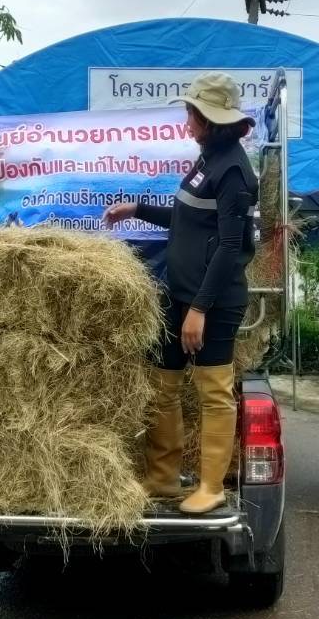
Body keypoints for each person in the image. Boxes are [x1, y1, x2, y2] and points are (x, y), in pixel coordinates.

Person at [104, 72, 258, 514]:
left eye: (191, 114)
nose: (186, 122)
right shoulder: (207, 159)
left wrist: (199, 309)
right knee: (162, 384)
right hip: (180, 294)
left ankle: (210, 487)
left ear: (210, 119)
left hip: (214, 303)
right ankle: (163, 477)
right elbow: (187, 217)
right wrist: (136, 208)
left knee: (214, 392)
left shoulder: (234, 171)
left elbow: (230, 247)